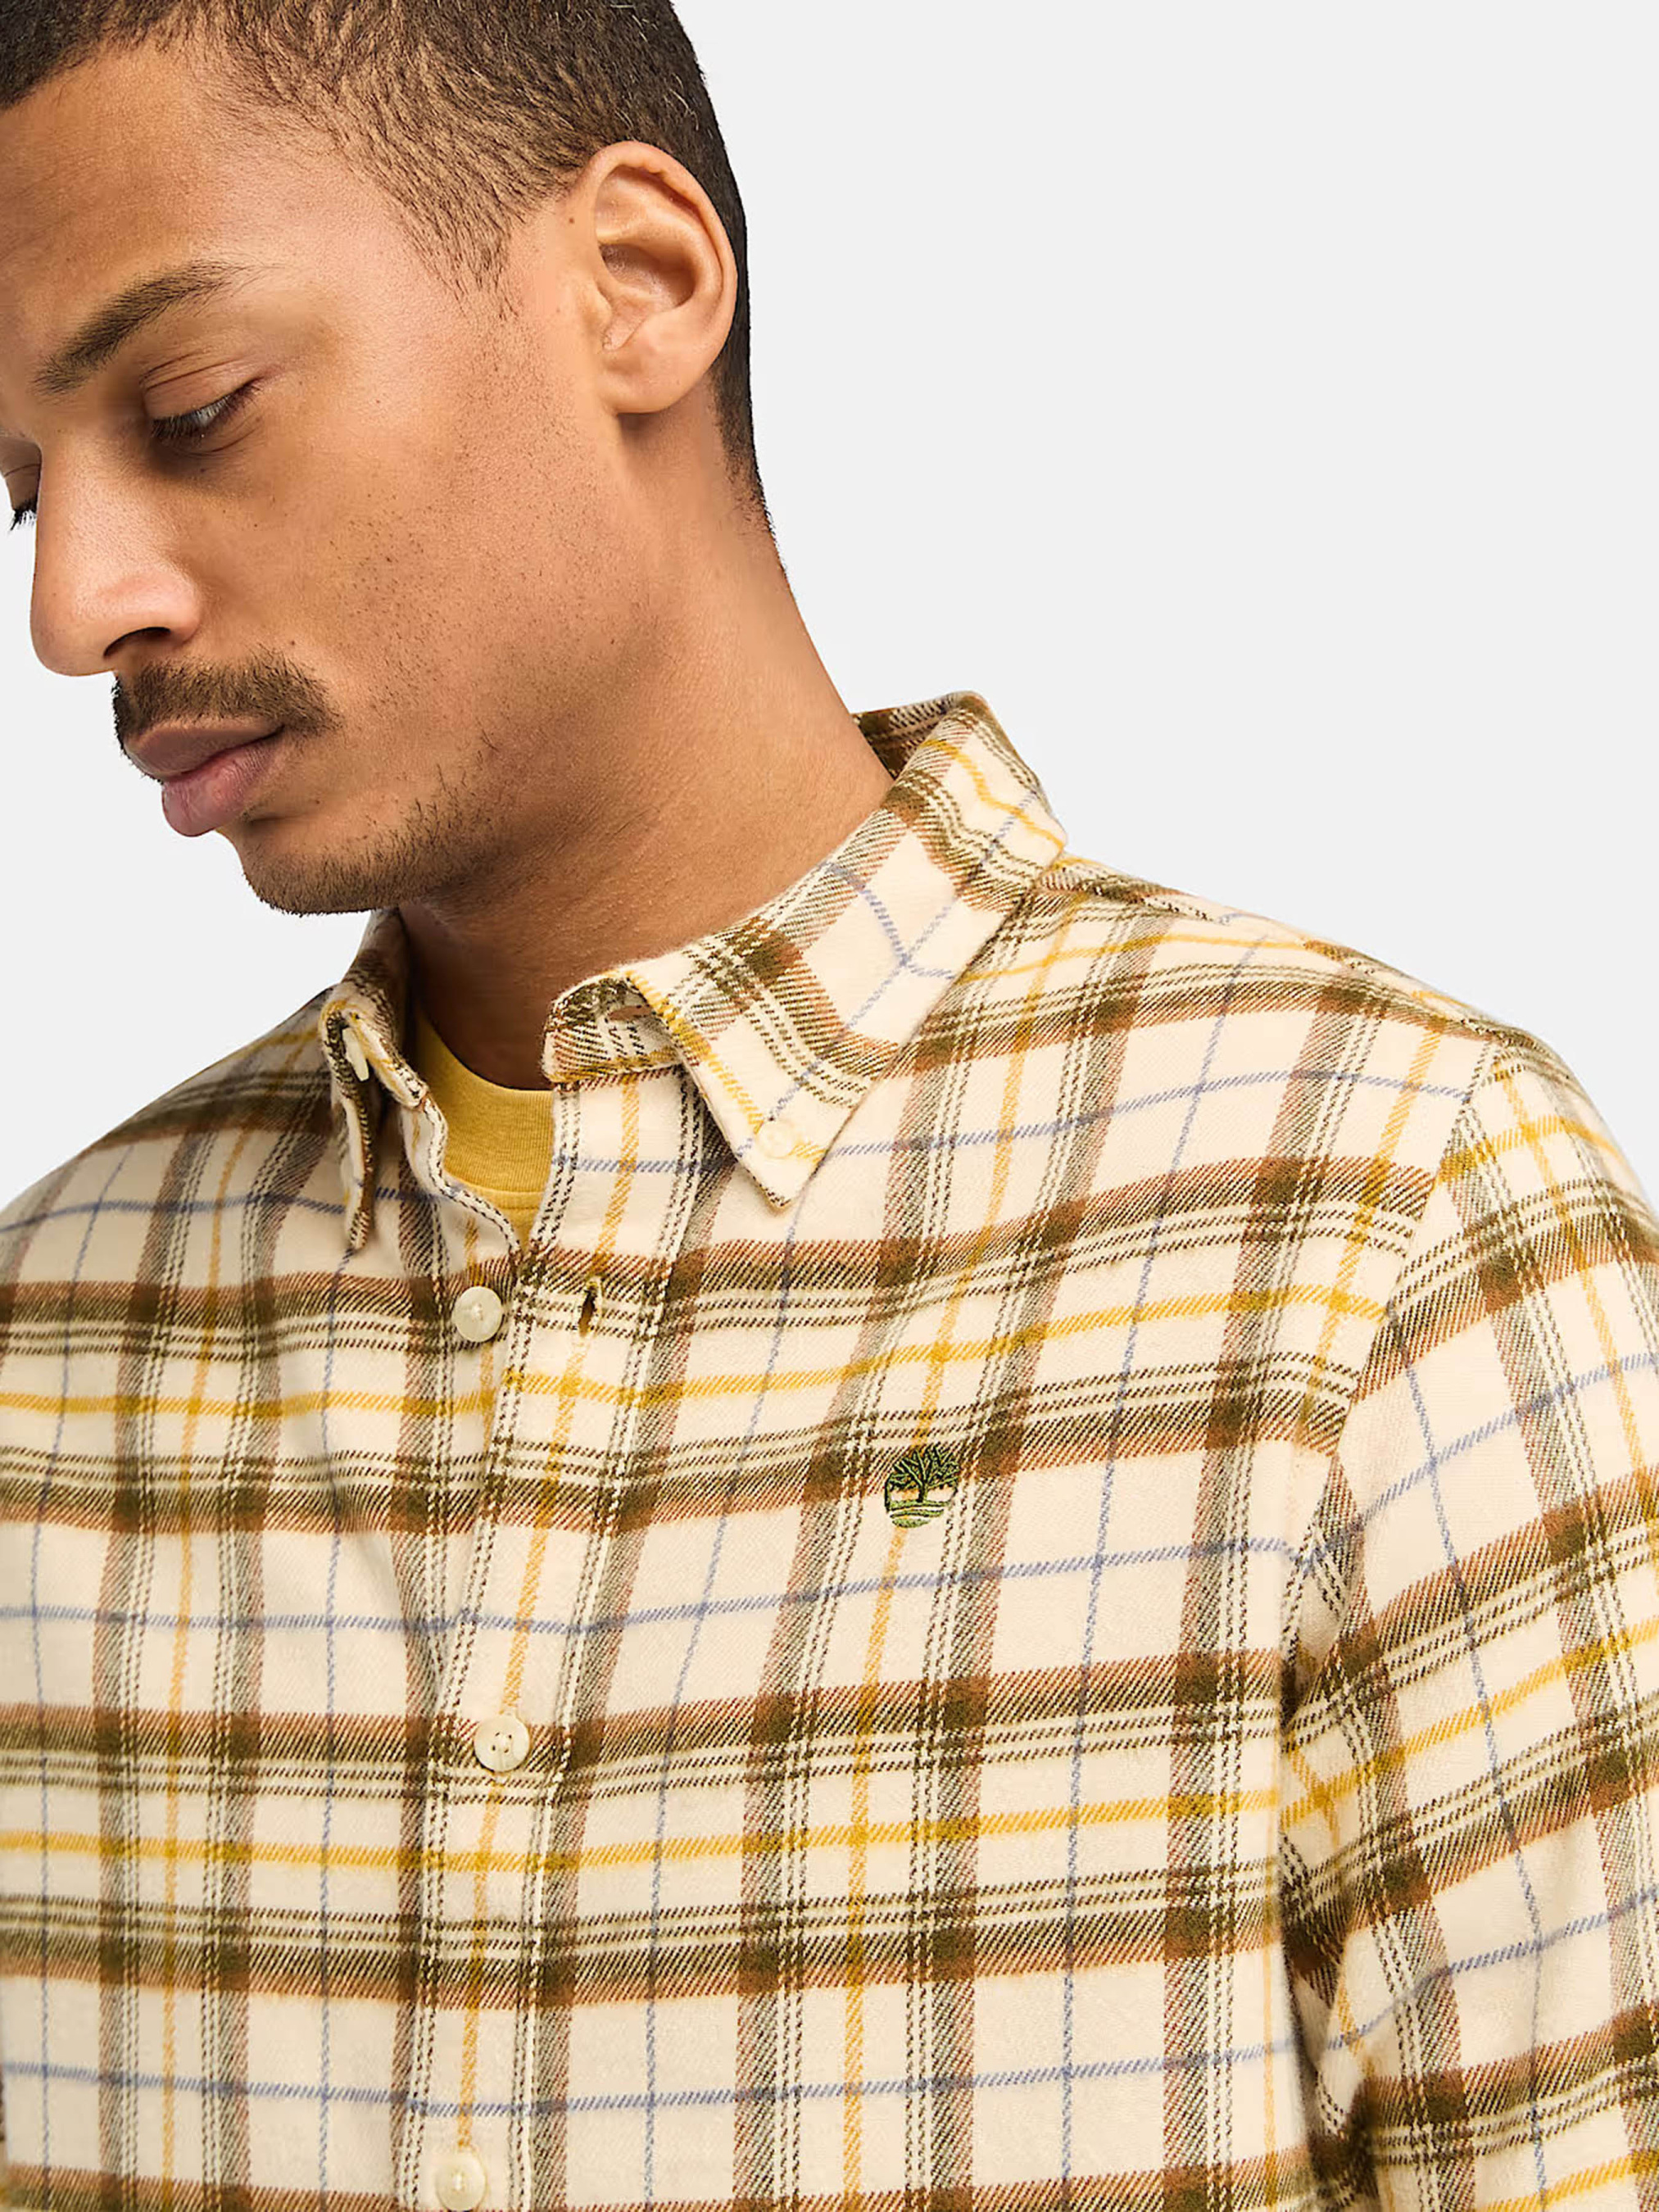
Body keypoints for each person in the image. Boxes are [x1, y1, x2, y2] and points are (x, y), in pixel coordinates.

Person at [2, 5, 1657, 2207]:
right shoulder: (40, 1350)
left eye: (191, 410)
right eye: (25, 492)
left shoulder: (1384, 1229)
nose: (72, 609)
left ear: (638, 285)